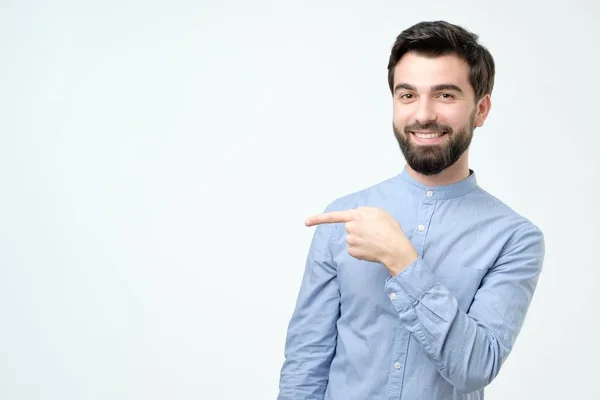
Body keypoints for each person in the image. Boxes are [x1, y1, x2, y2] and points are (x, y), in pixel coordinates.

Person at [277, 20, 545, 400]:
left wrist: (403, 261)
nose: (423, 114)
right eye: (407, 95)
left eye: (446, 95)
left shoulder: (515, 238)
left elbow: (475, 369)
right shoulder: (343, 218)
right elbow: (306, 362)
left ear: (481, 109)